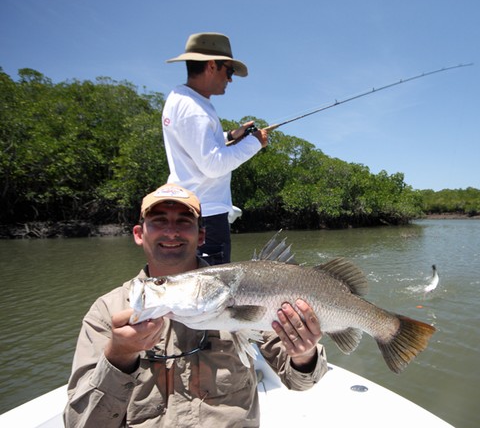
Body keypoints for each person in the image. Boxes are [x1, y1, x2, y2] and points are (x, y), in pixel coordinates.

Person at [64, 183, 327, 427]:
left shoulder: (245, 291)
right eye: (158, 222)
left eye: (183, 221)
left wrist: (304, 354)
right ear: (138, 234)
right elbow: (82, 422)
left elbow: (300, 382)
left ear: (201, 235)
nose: (171, 231)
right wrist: (119, 355)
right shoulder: (106, 311)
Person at [162, 32, 268, 265]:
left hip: (192, 210)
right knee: (213, 296)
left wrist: (231, 135)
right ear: (212, 66)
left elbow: (195, 142)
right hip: (207, 216)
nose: (230, 79)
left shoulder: (180, 98)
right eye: (229, 71)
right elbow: (212, 164)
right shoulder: (195, 108)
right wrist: (254, 143)